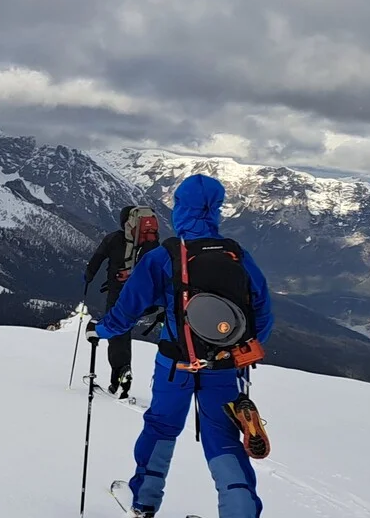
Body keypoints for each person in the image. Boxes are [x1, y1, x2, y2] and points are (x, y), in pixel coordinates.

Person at [92, 174, 274, 518]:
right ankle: (240, 512)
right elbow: (262, 314)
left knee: (161, 428)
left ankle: (144, 503)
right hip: (225, 368)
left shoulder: (165, 256)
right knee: (223, 440)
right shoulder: (236, 255)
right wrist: (237, 353)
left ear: (180, 209)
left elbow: (127, 310)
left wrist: (101, 331)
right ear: (216, 209)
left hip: (175, 365)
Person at [82, 205, 159, 399]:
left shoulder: (114, 239)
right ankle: (126, 372)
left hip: (118, 293)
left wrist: (88, 276)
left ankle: (120, 372)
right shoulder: (152, 241)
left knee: (118, 332)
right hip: (146, 295)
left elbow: (96, 259)